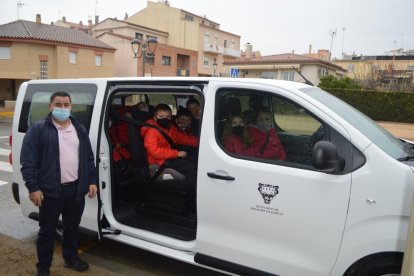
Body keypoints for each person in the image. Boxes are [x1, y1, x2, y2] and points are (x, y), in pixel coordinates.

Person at [20, 91, 98, 276]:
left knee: (72, 228)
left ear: (71, 107)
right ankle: (43, 268)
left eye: (66, 105)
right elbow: (28, 162)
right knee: (47, 232)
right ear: (50, 106)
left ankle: (70, 259)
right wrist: (33, 188)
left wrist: (92, 180)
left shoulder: (79, 129)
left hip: (76, 190)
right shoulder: (38, 130)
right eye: (58, 104)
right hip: (50, 192)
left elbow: (88, 158)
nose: (62, 108)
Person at [141, 104, 198, 193]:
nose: (165, 119)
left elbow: (183, 138)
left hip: (168, 158)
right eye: (161, 116)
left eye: (167, 116)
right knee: (188, 166)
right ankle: (195, 193)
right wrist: (176, 153)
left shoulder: (170, 129)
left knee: (193, 159)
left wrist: (199, 143)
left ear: (171, 117)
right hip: (158, 161)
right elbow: (154, 152)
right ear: (155, 118)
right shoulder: (151, 131)